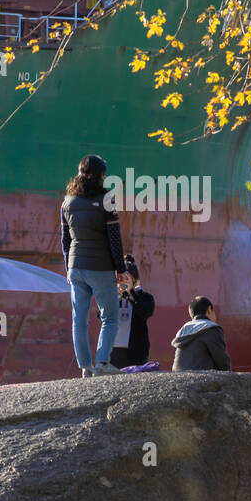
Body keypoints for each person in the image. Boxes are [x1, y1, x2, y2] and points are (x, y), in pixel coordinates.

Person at [61, 154, 127, 377]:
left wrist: (67, 268)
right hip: (100, 266)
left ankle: (85, 367)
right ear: (101, 176)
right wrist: (121, 269)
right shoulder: (106, 199)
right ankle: (102, 364)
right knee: (109, 316)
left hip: (75, 266)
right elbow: (114, 238)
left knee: (79, 319)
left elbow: (65, 240)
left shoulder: (67, 201)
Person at [110, 255, 156, 368]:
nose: (121, 282)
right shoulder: (113, 297)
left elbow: (145, 312)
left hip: (135, 350)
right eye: (119, 279)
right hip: (113, 350)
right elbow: (100, 317)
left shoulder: (145, 297)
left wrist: (131, 294)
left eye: (125, 279)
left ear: (134, 279)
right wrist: (117, 298)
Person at [171, 296, 231, 371]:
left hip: (178, 376)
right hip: (203, 379)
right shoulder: (211, 328)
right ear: (209, 309)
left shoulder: (183, 330)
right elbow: (222, 361)